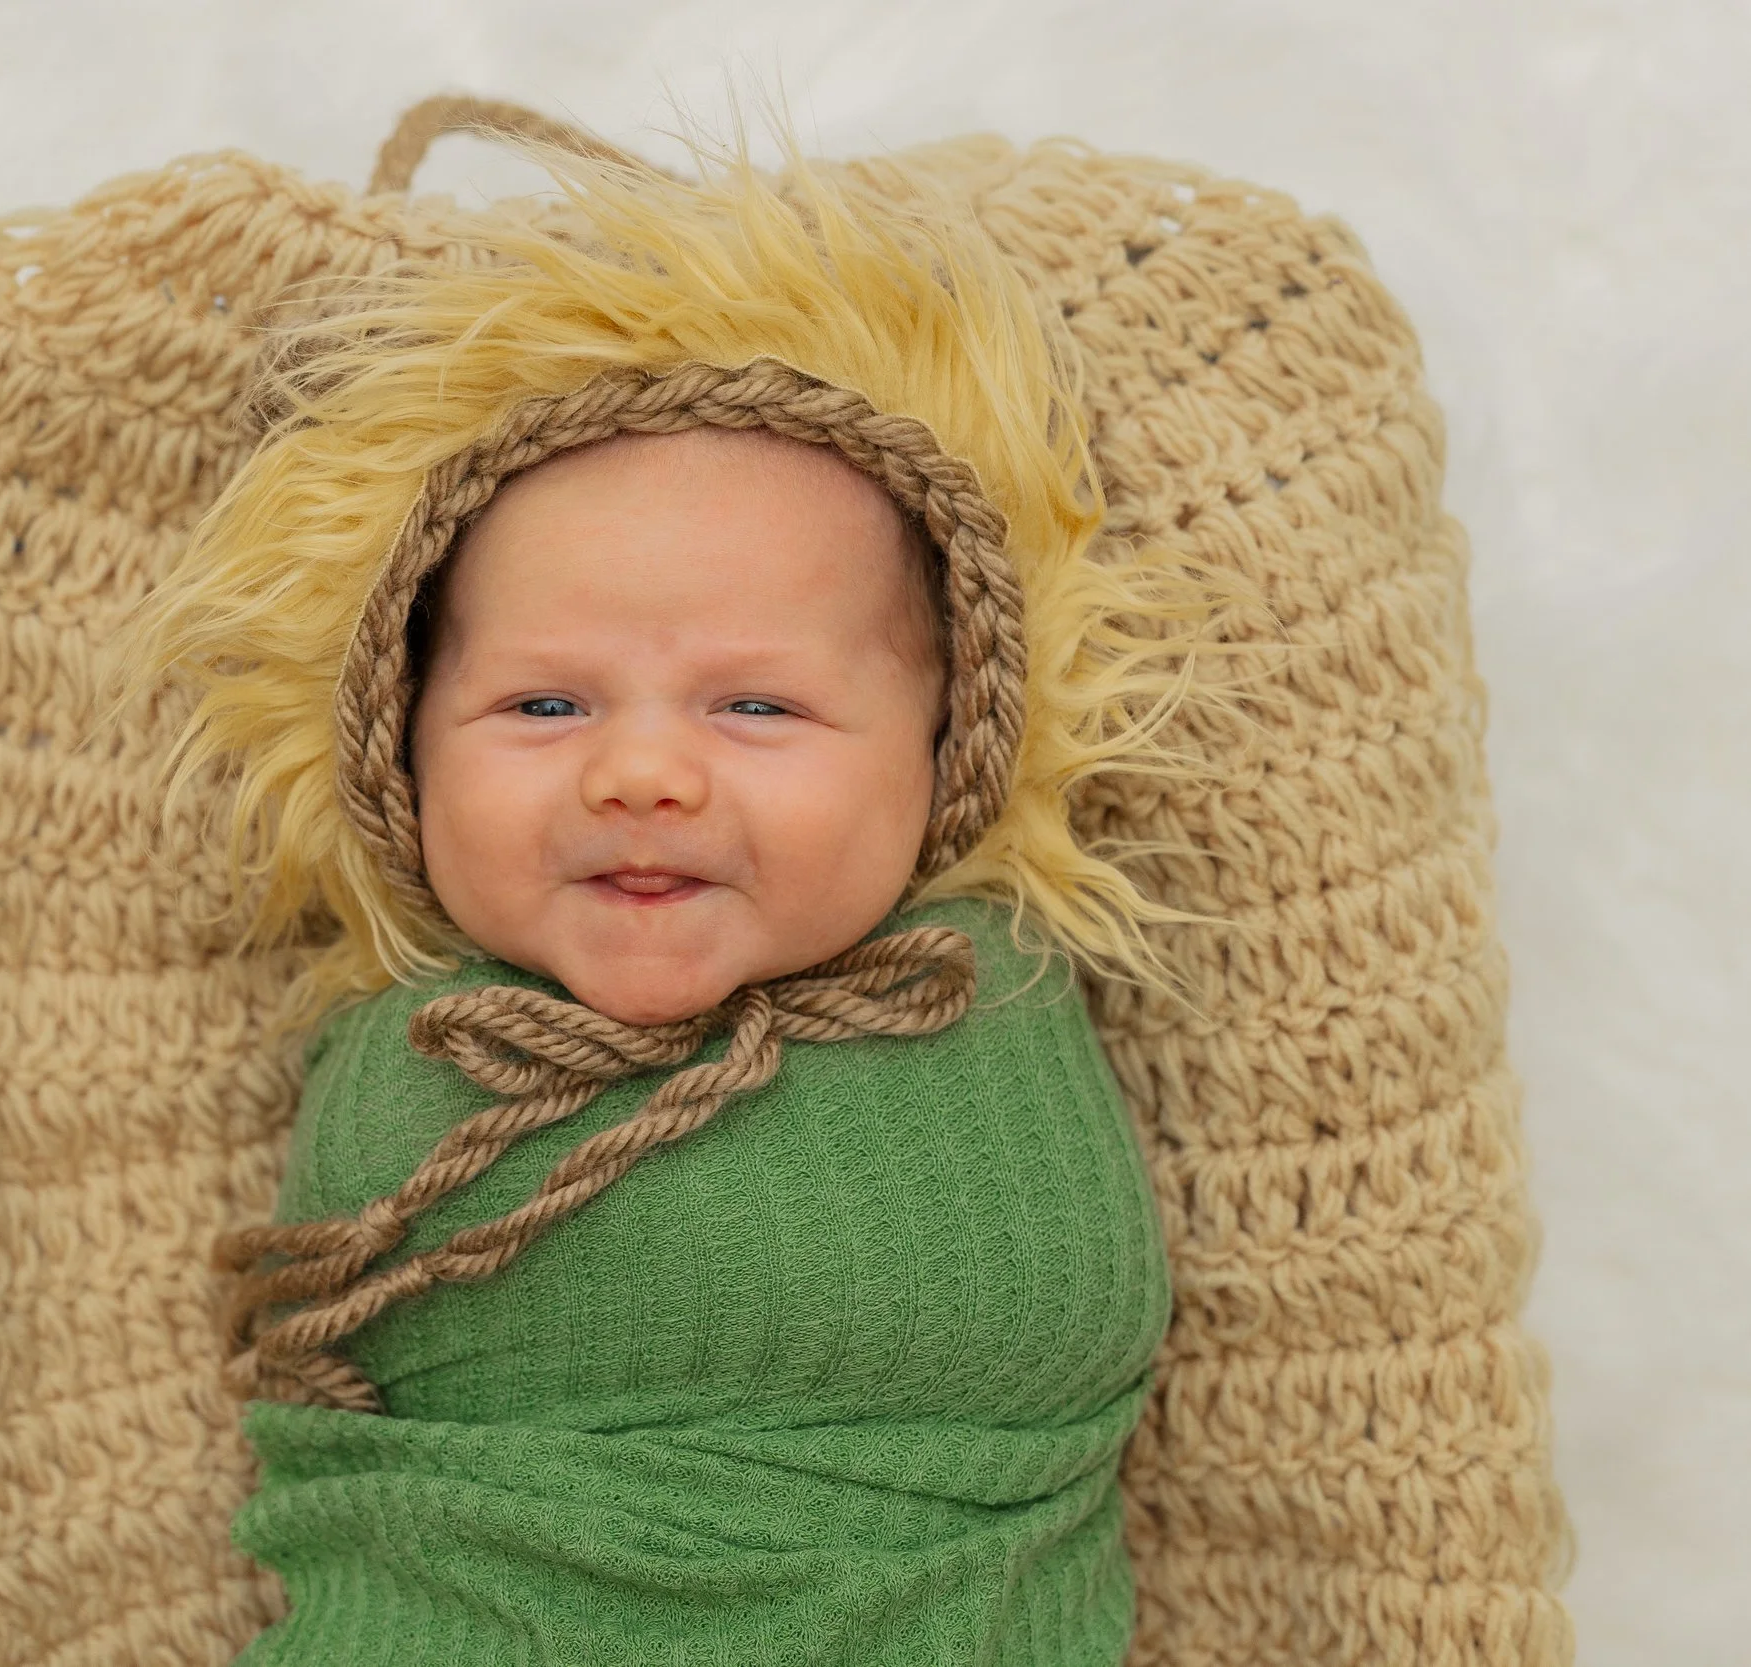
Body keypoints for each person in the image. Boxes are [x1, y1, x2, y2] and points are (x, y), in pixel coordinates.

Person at [122, 126, 1231, 1667]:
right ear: (396, 749)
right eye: (543, 706)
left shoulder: (985, 993)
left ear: (947, 751)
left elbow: (1052, 1318)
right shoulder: (425, 1046)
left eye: (756, 708)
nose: (641, 774)